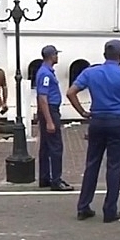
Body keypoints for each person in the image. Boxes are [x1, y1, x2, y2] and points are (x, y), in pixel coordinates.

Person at [67, 40, 120, 223]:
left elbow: (70, 92)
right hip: (118, 123)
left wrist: (82, 112)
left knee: (92, 164)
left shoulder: (91, 72)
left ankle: (83, 207)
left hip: (97, 121)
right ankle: (110, 210)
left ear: (104, 54)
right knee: (114, 166)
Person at [36, 45, 73, 191]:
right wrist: (50, 121)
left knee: (45, 146)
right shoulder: (46, 74)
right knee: (56, 146)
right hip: (50, 110)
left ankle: (45, 177)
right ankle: (56, 180)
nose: (57, 56)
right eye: (56, 54)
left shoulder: (45, 71)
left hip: (47, 110)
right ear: (52, 56)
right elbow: (43, 97)